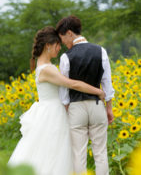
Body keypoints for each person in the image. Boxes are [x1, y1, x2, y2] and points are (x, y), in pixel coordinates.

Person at [8, 26, 105, 175]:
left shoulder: (46, 66)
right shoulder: (46, 69)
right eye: (57, 45)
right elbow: (72, 84)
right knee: (52, 153)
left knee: (53, 152)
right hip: (52, 114)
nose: (59, 48)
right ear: (48, 45)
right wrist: (97, 91)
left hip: (52, 111)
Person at [56, 15, 115, 175]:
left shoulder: (66, 57)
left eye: (62, 39)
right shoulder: (100, 51)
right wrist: (109, 108)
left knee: (78, 154)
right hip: (97, 106)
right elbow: (107, 83)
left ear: (69, 33)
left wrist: (67, 110)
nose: (63, 44)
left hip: (76, 108)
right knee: (101, 154)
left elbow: (64, 91)